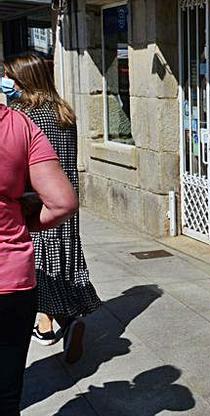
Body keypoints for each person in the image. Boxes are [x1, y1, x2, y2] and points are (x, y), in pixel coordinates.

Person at [0, 102, 78, 416]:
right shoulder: (17, 124)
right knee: (5, 399)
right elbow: (63, 201)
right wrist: (24, 220)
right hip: (11, 282)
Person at [4, 54, 101, 362]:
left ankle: (56, 324)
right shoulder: (63, 111)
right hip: (64, 202)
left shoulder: (22, 114)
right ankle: (58, 322)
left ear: (23, 81)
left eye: (12, 79)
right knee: (64, 265)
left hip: (37, 205)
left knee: (43, 270)